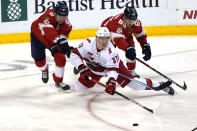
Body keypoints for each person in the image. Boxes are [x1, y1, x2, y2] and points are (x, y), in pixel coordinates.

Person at [70, 27, 175, 95]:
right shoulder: (88, 43)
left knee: (135, 85)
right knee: (79, 88)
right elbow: (74, 54)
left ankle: (159, 85)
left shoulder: (111, 51)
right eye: (102, 38)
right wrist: (81, 67)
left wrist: (111, 81)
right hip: (93, 70)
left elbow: (113, 70)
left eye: (107, 38)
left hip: (114, 68)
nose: (104, 41)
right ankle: (93, 80)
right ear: (97, 37)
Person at [30, 1, 72, 90]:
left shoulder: (68, 26)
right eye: (60, 15)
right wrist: (59, 41)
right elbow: (49, 32)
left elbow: (62, 38)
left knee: (61, 58)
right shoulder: (48, 16)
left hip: (52, 41)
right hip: (38, 37)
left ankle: (58, 81)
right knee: (39, 60)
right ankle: (44, 69)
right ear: (55, 13)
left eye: (65, 16)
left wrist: (65, 47)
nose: (62, 18)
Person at [100, 7, 151, 78]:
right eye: (129, 20)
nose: (131, 23)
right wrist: (127, 49)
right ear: (124, 18)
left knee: (132, 49)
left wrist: (145, 45)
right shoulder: (118, 24)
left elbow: (140, 36)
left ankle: (131, 71)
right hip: (107, 32)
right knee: (109, 52)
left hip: (124, 33)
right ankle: (99, 66)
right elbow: (118, 40)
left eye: (133, 20)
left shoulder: (136, 23)